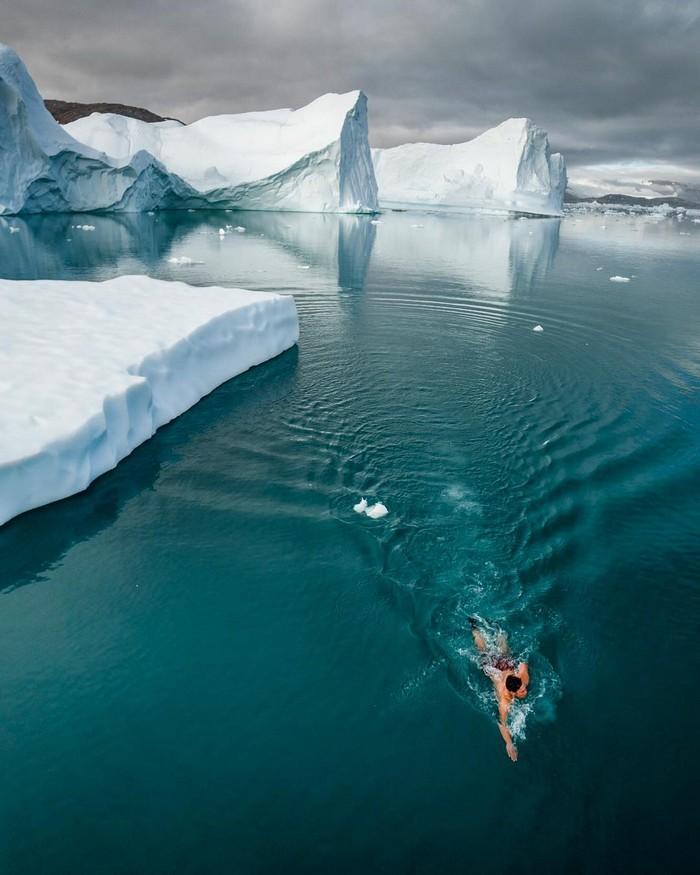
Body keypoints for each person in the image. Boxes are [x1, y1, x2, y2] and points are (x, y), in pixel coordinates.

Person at [469, 617, 529, 762]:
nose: (525, 691)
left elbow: (523, 664)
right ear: (512, 693)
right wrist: (509, 743)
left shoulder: (522, 677)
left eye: (523, 688)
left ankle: (495, 624)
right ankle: (474, 627)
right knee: (483, 651)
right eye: (521, 691)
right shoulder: (504, 700)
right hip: (493, 669)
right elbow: (502, 723)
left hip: (506, 664)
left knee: (503, 645)